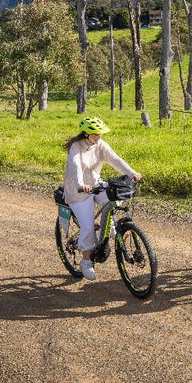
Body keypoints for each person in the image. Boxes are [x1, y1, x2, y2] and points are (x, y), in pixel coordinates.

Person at [63, 116, 141, 281]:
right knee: (88, 226)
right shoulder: (76, 147)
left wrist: (131, 173)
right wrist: (81, 184)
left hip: (96, 185)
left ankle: (110, 227)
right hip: (78, 191)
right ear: (86, 134)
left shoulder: (100, 145)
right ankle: (86, 261)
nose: (99, 137)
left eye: (100, 134)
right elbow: (74, 166)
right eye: (96, 134)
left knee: (113, 201)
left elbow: (115, 159)